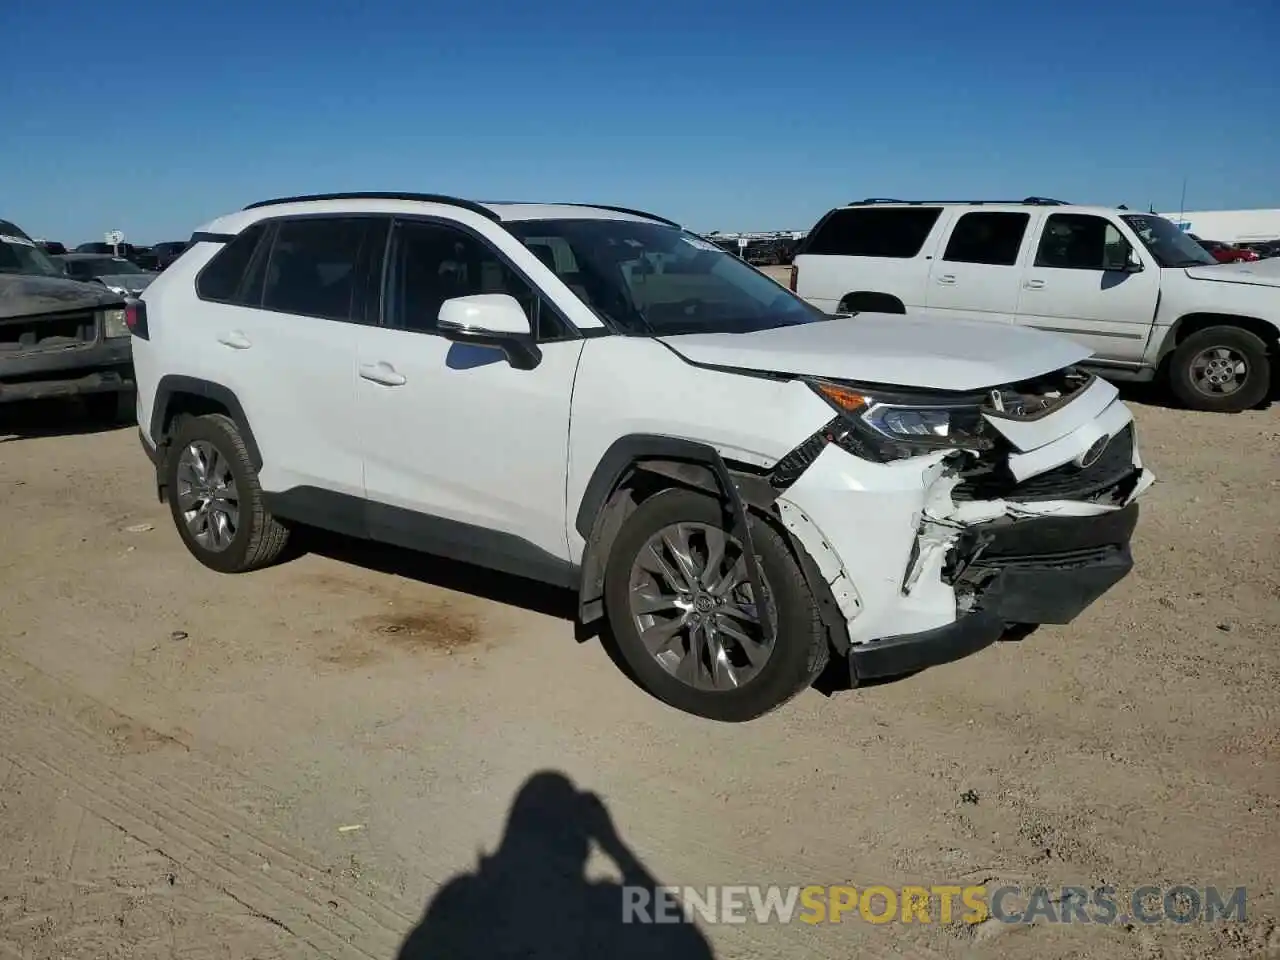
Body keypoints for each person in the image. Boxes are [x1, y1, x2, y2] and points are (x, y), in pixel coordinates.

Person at [396, 771, 713, 959]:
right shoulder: (603, 913)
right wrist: (615, 847)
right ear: (579, 849)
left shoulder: (463, 902)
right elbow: (690, 945)